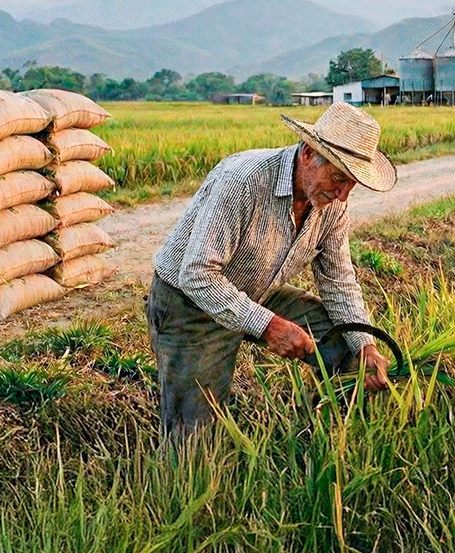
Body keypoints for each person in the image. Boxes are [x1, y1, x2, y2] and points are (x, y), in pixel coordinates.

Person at [147, 102, 397, 437]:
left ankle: (325, 435)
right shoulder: (245, 181)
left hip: (258, 289)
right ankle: (183, 475)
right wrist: (269, 326)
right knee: (195, 434)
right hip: (191, 302)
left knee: (346, 346)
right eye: (338, 177)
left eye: (352, 183)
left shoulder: (331, 204)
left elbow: (338, 279)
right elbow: (198, 275)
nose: (342, 194)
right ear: (308, 153)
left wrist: (365, 343)